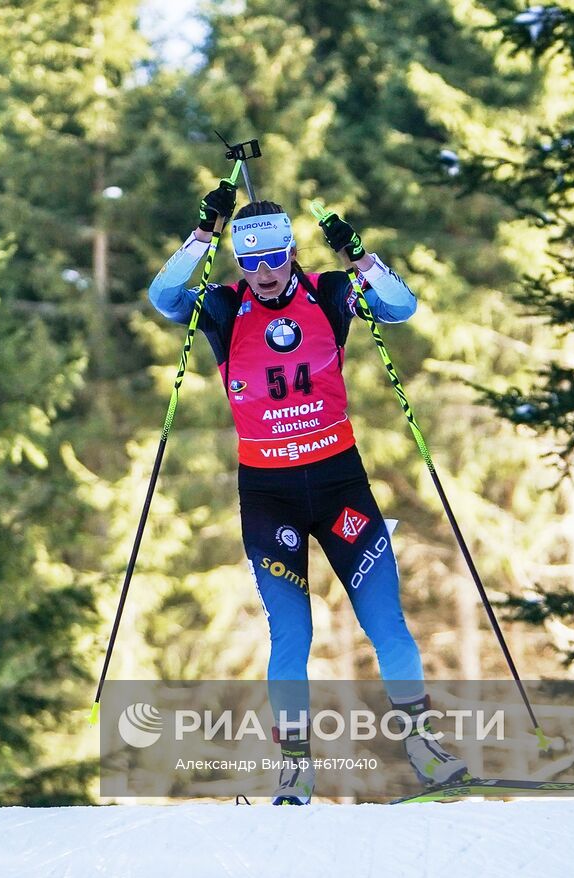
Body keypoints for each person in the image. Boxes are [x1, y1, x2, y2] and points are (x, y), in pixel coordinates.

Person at [146, 180, 467, 805]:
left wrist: (360, 256)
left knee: (388, 624)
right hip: (269, 496)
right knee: (291, 634)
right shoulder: (220, 306)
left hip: (339, 482)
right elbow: (163, 297)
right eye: (250, 260)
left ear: (292, 251)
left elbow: (402, 308)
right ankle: (296, 767)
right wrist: (202, 237)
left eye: (274, 257)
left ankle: (425, 747)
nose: (264, 273)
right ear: (239, 260)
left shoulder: (329, 292)